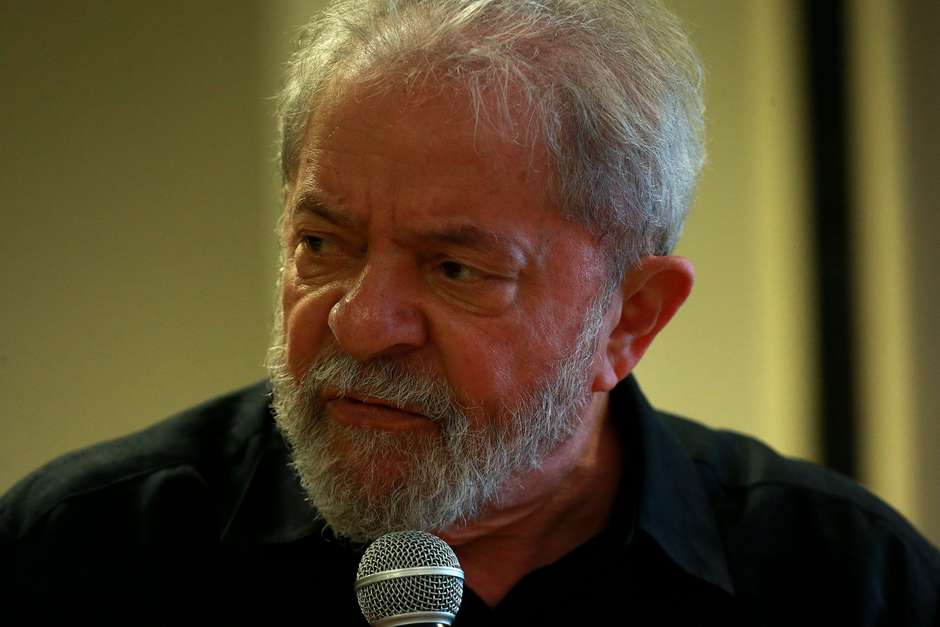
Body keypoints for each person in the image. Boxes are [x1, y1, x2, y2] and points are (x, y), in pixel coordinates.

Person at [2, 0, 938, 624]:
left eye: (455, 268)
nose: (360, 324)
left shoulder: (841, 582)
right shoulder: (83, 554)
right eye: (322, 245)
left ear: (630, 317)